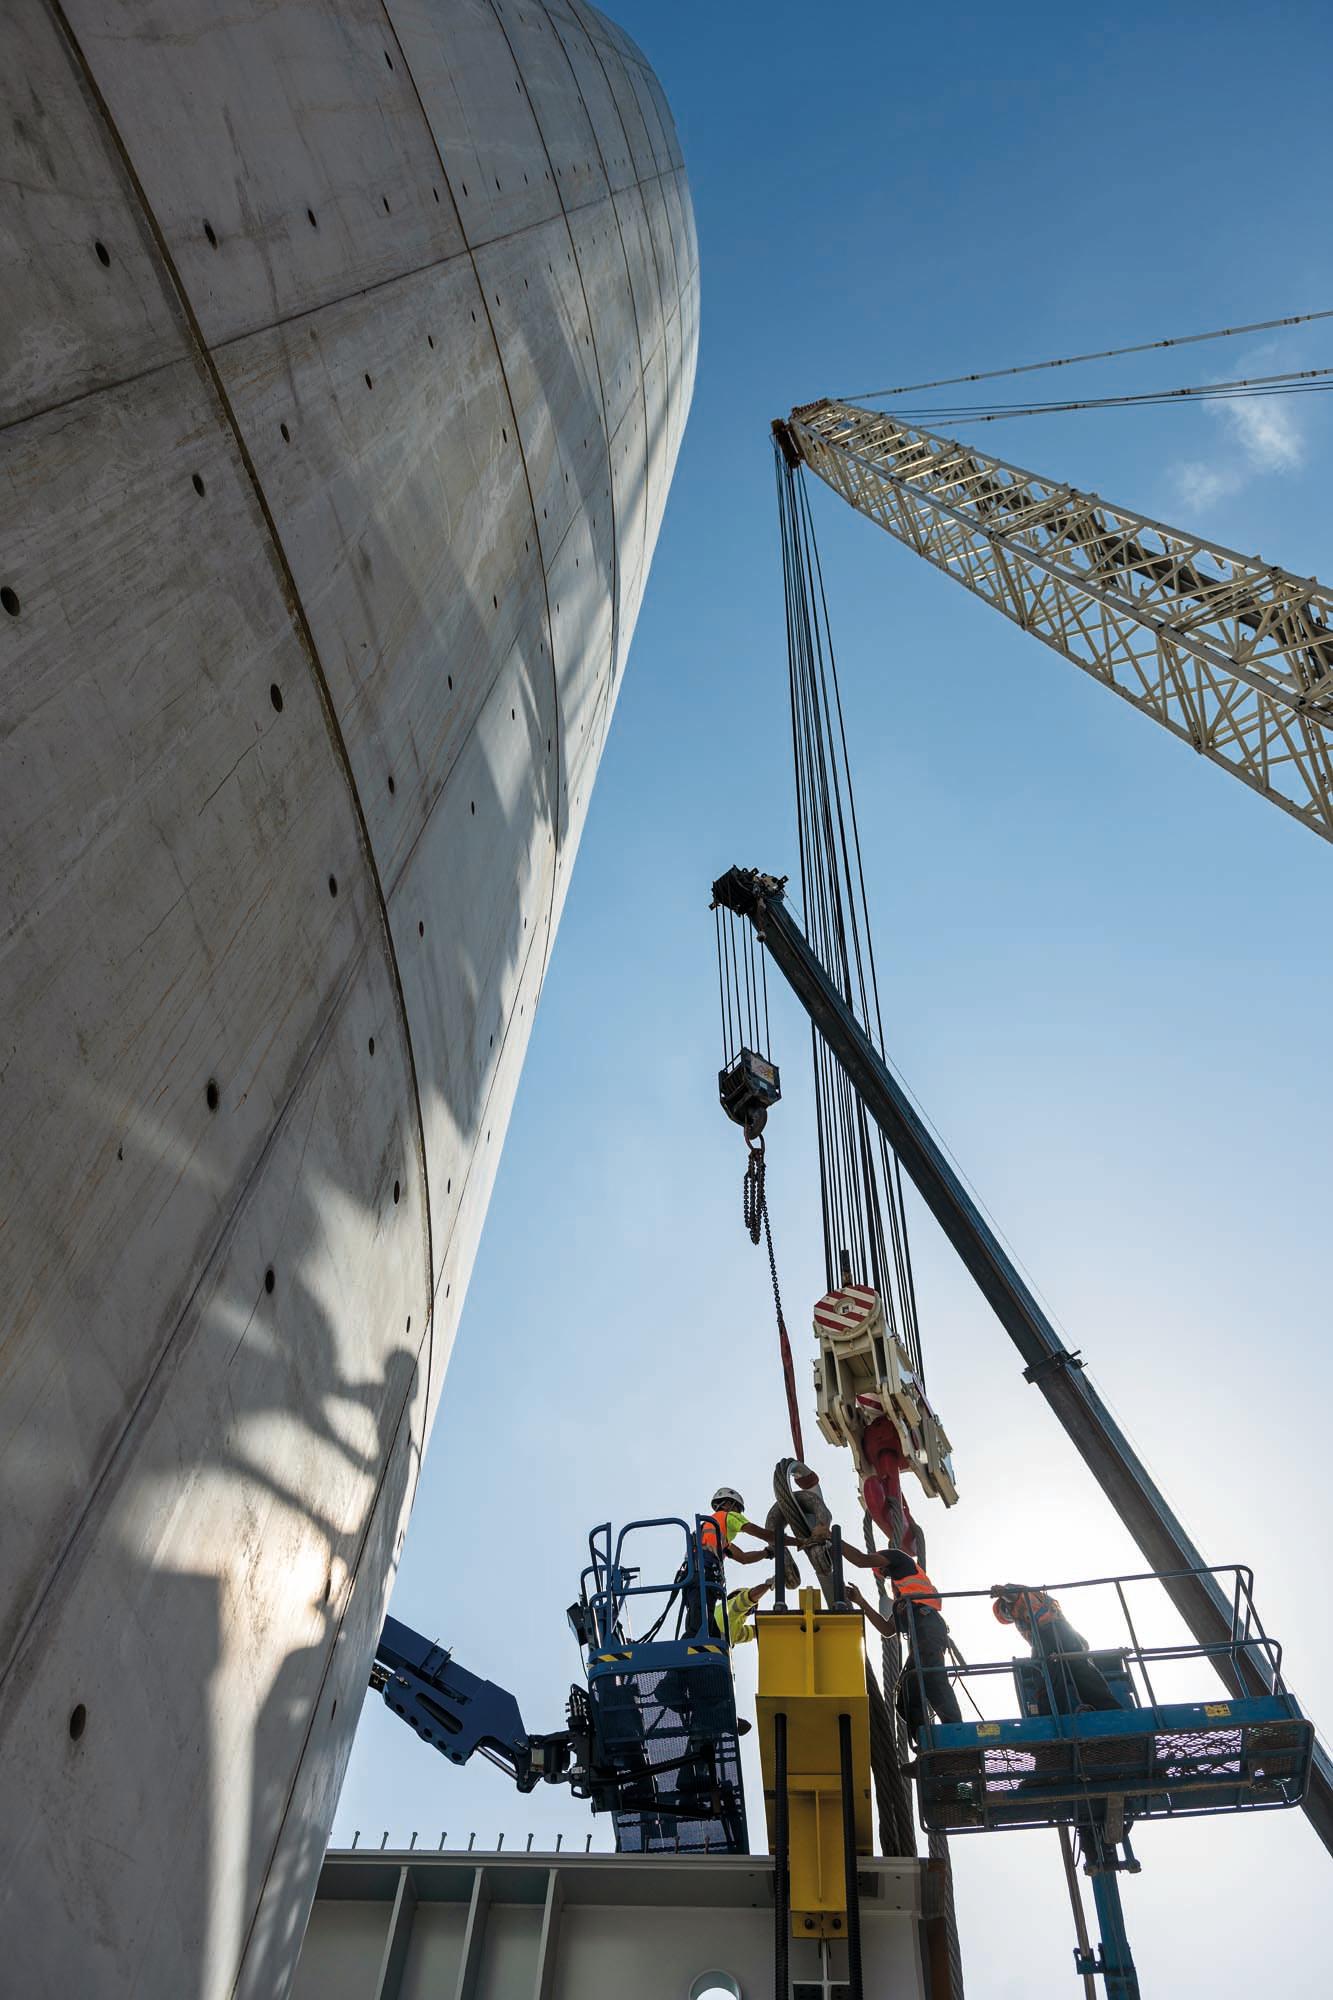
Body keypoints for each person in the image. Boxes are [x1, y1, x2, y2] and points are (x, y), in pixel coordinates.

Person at [847, 1550, 962, 1732]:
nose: (883, 1573)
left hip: (928, 1628)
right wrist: (861, 1602)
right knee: (906, 1697)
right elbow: (887, 1630)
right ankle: (927, 1746)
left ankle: (957, 1735)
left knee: (933, 1680)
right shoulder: (902, 1600)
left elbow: (861, 1560)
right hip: (921, 1638)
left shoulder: (900, 1560)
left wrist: (830, 1536)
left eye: (882, 1569)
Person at [990, 1584, 1120, 1713]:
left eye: (1005, 1613)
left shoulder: (1018, 1597)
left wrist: (1002, 1592)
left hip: (1048, 1633)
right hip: (1061, 1632)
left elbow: (1012, 1594)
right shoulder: (1028, 1607)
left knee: (1045, 1671)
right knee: (1081, 1667)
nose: (1009, 1616)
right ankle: (1108, 1708)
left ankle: (1052, 1713)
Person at [713, 1579, 774, 1648]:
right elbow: (750, 1597)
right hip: (712, 1653)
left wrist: (774, 1627)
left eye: (753, 1610)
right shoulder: (731, 1608)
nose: (750, 1610)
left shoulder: (734, 1628)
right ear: (735, 1595)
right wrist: (769, 1584)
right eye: (752, 1607)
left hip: (705, 1653)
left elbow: (754, 1631)